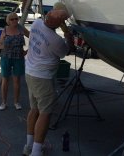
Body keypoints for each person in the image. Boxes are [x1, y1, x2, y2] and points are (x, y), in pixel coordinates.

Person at [23, 9, 74, 156]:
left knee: (34, 109)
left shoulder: (37, 23)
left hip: (30, 72)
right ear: (59, 24)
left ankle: (28, 146)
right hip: (43, 78)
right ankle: (36, 152)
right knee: (45, 113)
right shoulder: (56, 40)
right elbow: (67, 51)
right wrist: (67, 34)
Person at [0, 12, 30, 110]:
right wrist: (7, 47)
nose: (14, 21)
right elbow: (0, 45)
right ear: (8, 21)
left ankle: (16, 102)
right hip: (6, 57)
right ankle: (4, 102)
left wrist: (27, 51)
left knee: (17, 81)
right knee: (5, 79)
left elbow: (33, 38)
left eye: (16, 18)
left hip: (18, 58)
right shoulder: (5, 30)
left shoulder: (21, 28)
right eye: (12, 19)